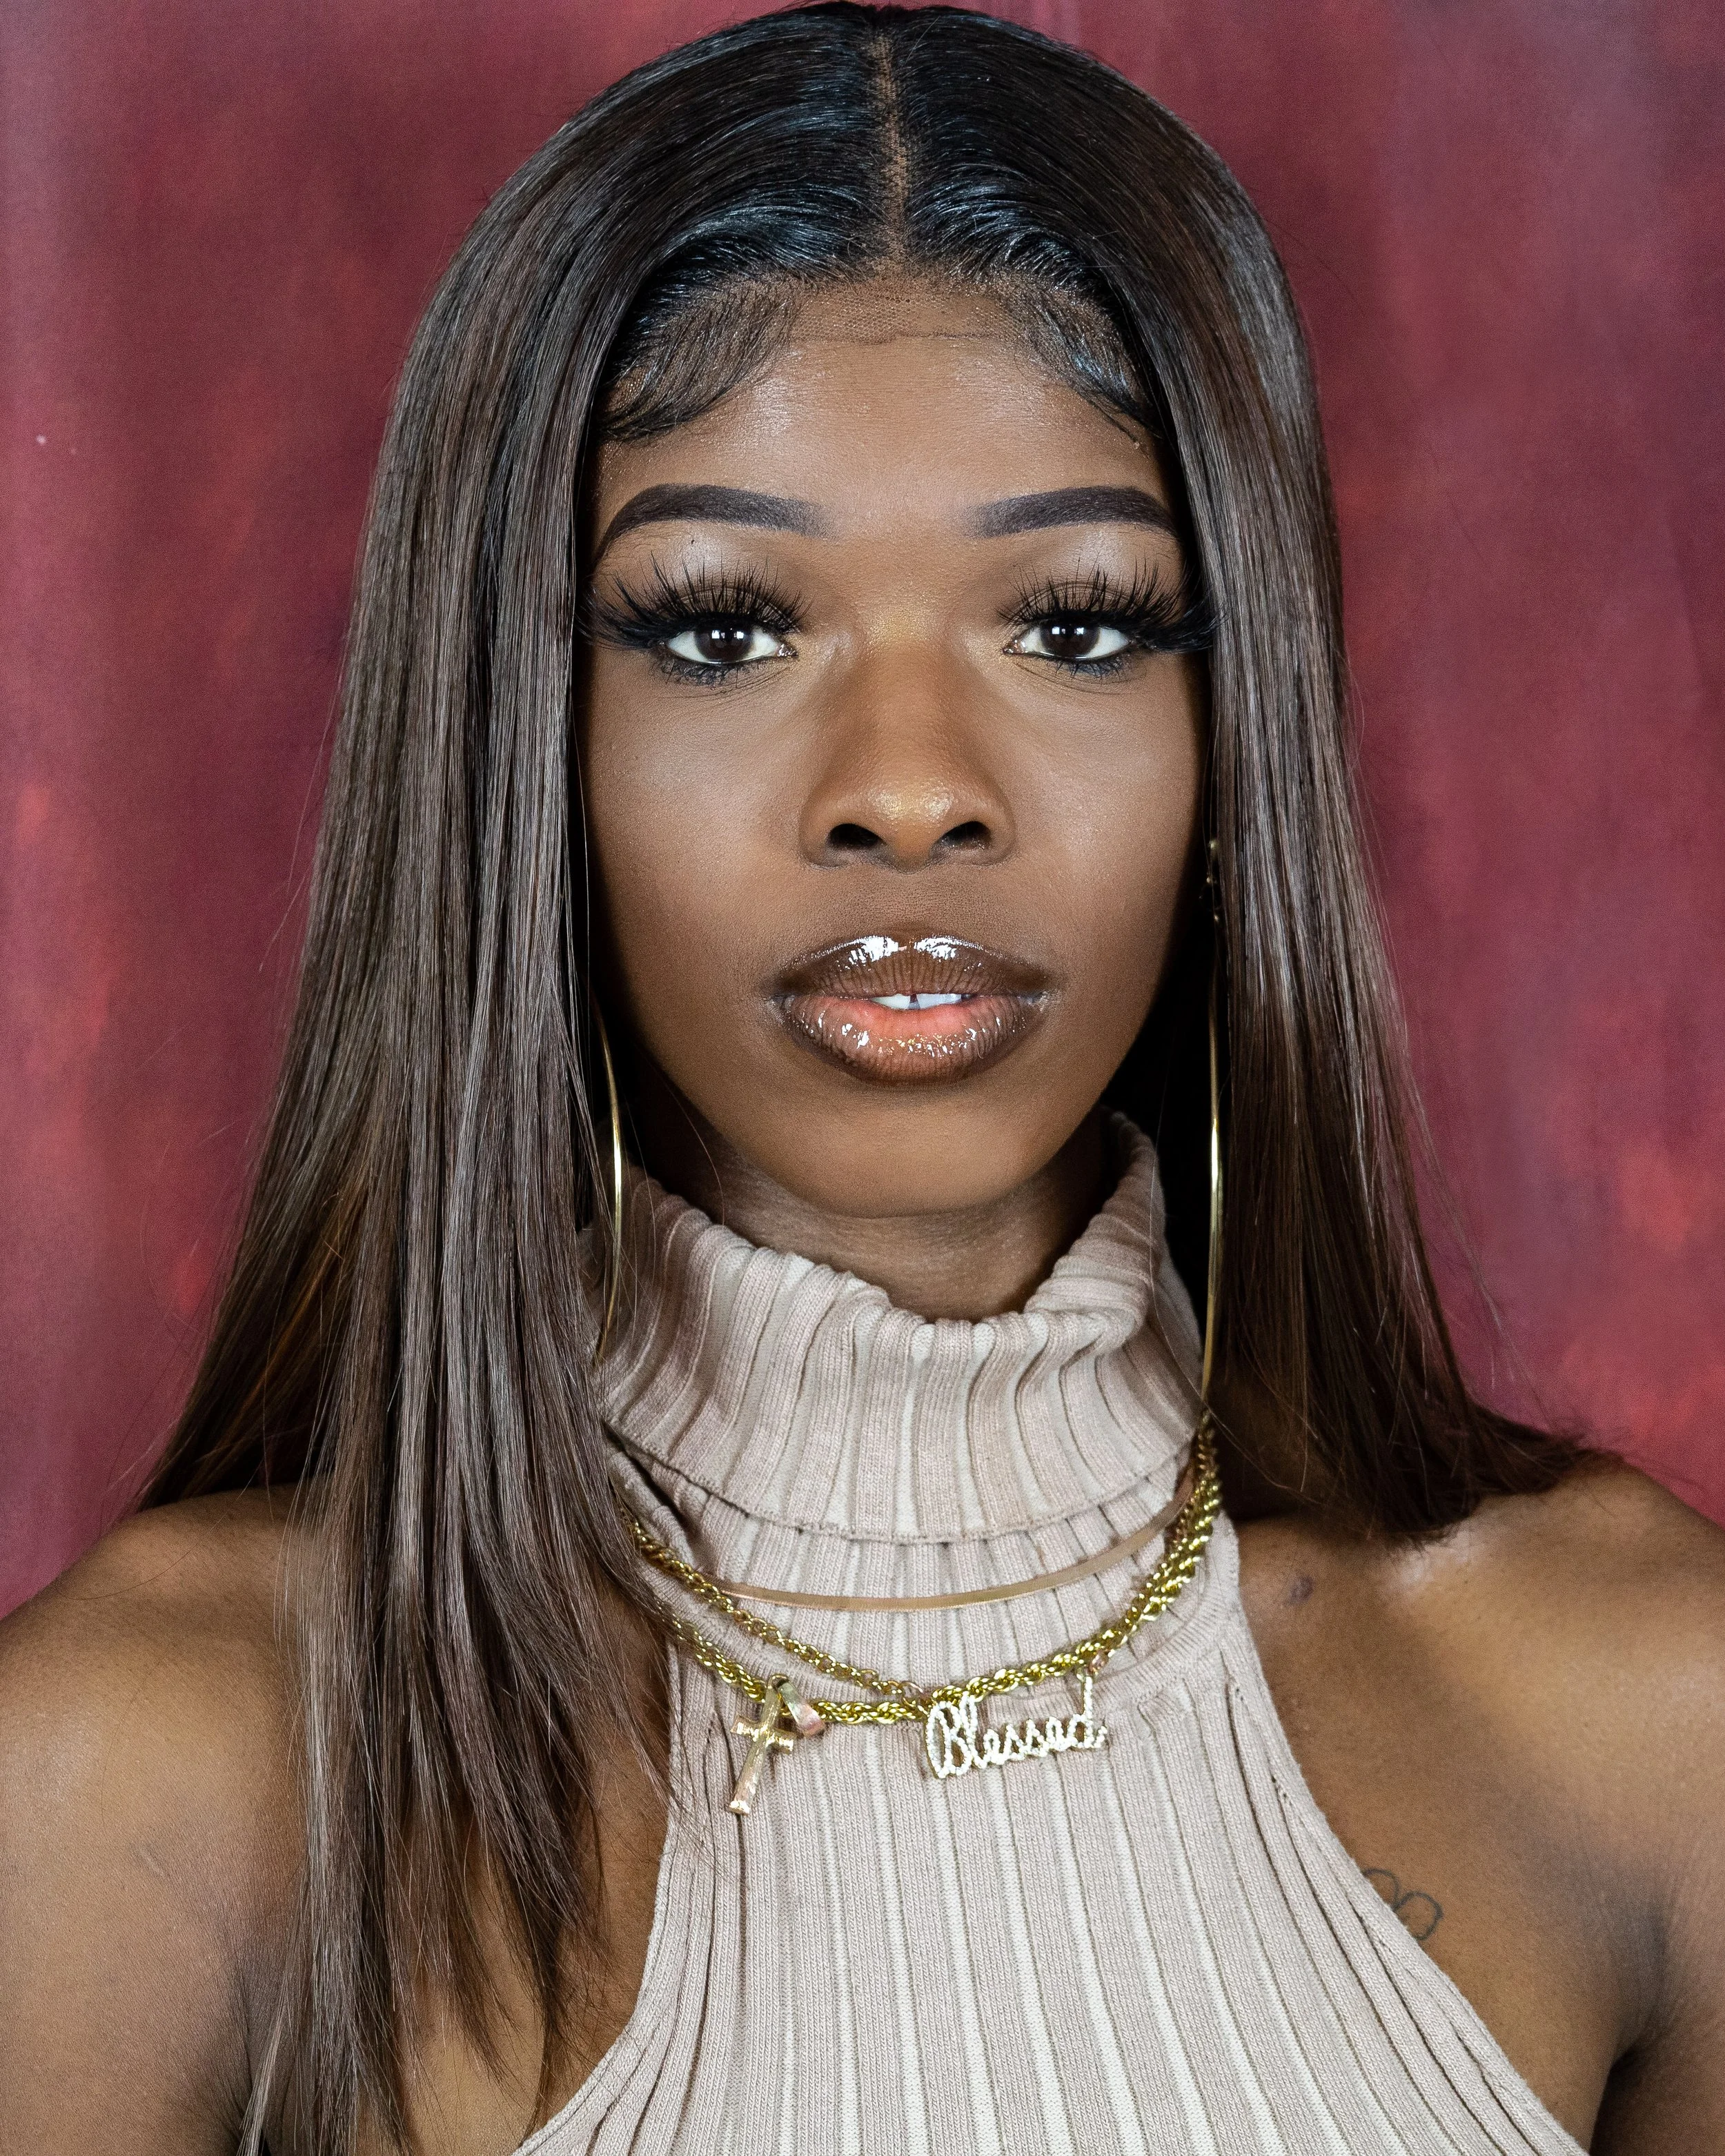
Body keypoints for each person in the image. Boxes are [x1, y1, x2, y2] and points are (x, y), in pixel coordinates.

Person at [1, 6, 1720, 2150]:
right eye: (723, 625)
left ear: (1236, 737)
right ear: (527, 752)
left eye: (1076, 621)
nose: (908, 792)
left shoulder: (1638, 1701)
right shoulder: (140, 1775)